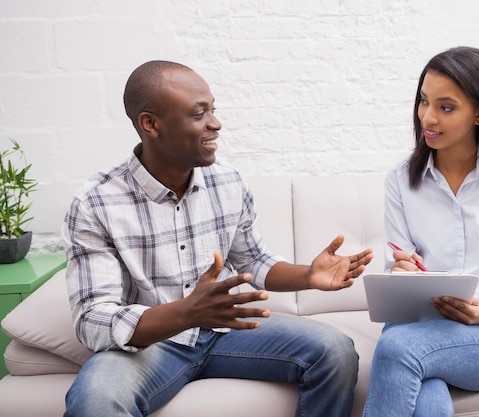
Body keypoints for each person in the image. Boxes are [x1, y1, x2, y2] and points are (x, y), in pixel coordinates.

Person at [62, 60, 374, 417]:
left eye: (213, 109)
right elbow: (92, 320)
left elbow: (253, 260)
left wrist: (308, 276)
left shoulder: (228, 182)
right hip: (152, 343)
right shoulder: (96, 202)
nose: (215, 123)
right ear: (151, 124)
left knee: (335, 351)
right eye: (199, 114)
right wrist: (186, 313)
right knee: (94, 402)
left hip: (226, 329)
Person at [362, 46, 479, 416]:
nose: (427, 117)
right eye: (423, 102)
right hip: (418, 328)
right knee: (428, 400)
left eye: (445, 107)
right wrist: (403, 270)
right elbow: (396, 261)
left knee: (397, 349)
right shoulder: (400, 179)